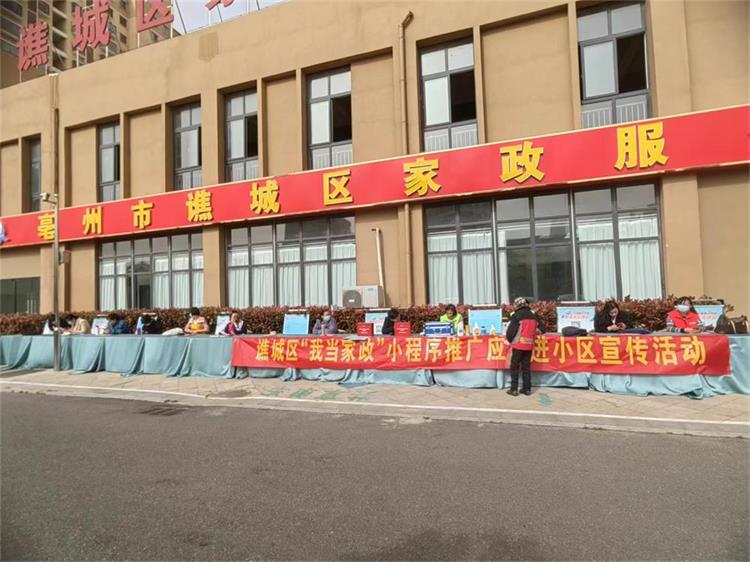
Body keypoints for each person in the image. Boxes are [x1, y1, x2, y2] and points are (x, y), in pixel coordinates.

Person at [504, 297, 545, 397]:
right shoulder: (533, 315)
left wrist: (510, 341)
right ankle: (527, 389)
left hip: (518, 344)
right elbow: (542, 328)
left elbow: (511, 331)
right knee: (526, 367)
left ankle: (514, 389)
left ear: (517, 305)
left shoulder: (516, 315)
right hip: (529, 345)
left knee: (514, 366)